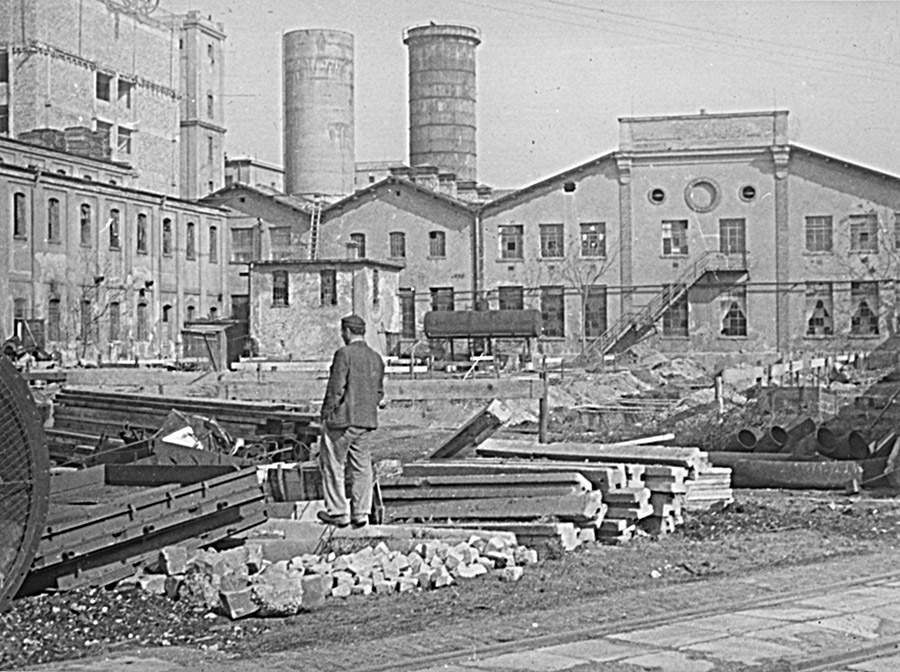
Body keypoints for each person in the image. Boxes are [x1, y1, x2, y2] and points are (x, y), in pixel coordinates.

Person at [317, 314, 385, 529]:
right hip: (365, 423)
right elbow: (379, 392)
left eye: (342, 332)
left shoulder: (343, 354)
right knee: (362, 467)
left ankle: (338, 512)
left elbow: (336, 390)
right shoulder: (376, 358)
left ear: (346, 331)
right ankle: (361, 513)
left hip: (342, 422)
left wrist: (325, 414)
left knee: (333, 464)